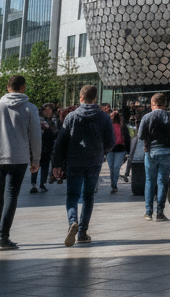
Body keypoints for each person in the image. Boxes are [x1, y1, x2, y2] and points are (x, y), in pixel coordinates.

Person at [0, 75, 42, 250]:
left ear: (8, 87)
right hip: (19, 158)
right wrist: (36, 159)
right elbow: (36, 136)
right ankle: (4, 236)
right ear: (23, 88)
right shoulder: (30, 108)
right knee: (11, 195)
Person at [51, 84, 114, 247]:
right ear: (95, 99)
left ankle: (73, 222)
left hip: (74, 161)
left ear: (80, 98)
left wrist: (56, 163)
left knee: (72, 195)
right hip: (94, 161)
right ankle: (83, 232)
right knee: (88, 196)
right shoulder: (104, 117)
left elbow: (60, 142)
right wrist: (102, 151)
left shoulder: (71, 117)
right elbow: (111, 141)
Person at [137, 92, 170, 219]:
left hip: (151, 152)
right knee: (162, 182)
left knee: (150, 181)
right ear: (165, 104)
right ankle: (160, 213)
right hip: (167, 153)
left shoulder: (146, 117)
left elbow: (140, 135)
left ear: (153, 104)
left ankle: (148, 212)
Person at [29, 103, 59, 193]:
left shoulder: (55, 121)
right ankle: (33, 184)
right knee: (35, 165)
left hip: (48, 147)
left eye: (50, 110)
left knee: (45, 166)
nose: (48, 112)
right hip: (37, 146)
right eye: (46, 110)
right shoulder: (37, 120)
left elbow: (57, 132)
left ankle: (42, 184)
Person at [105, 111, 129, 193]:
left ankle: (114, 185)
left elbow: (127, 138)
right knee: (114, 167)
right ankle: (113, 184)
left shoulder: (121, 127)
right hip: (115, 149)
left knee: (114, 167)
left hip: (117, 149)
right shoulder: (109, 127)